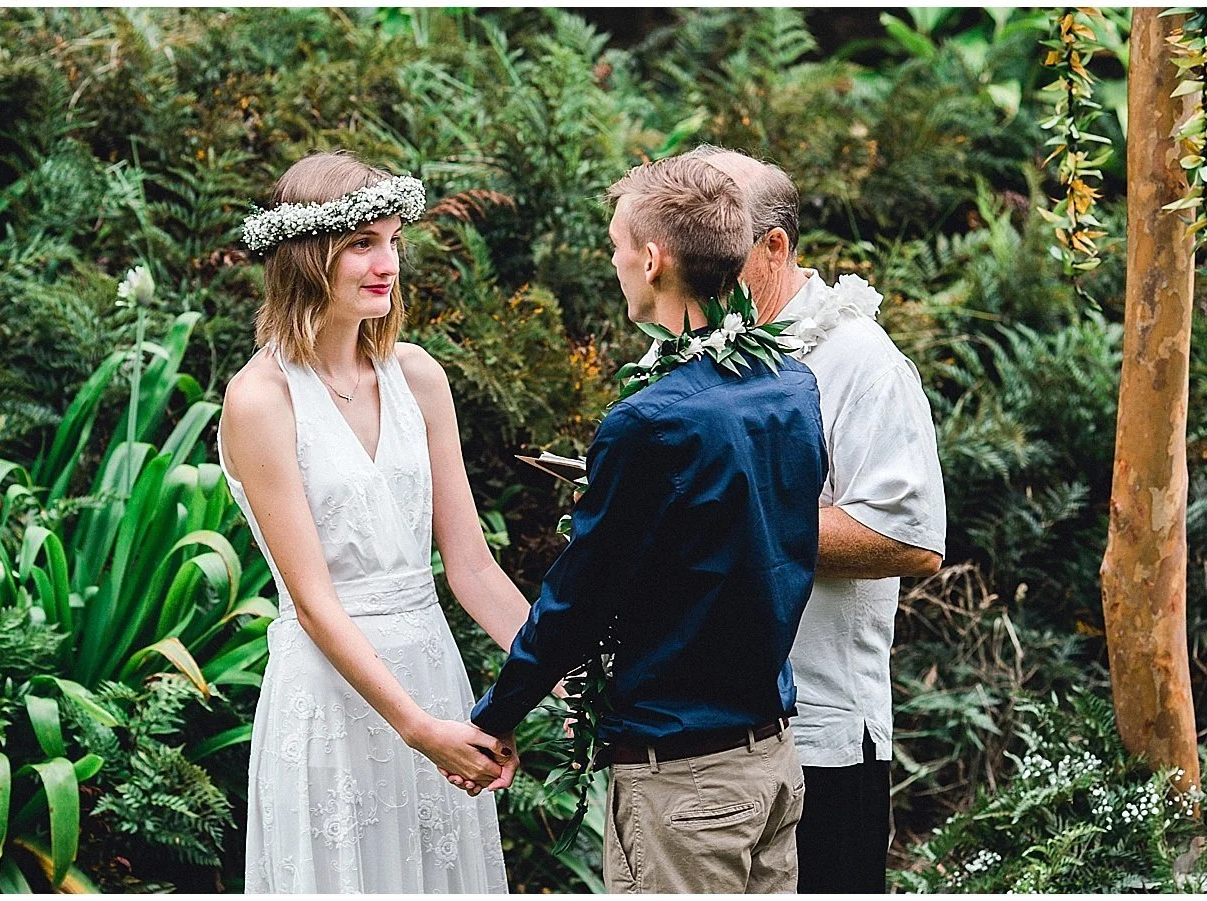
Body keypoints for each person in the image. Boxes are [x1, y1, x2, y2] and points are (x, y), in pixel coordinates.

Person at [469, 155, 828, 893]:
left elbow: (579, 598)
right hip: (772, 760)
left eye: (616, 245)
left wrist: (496, 715)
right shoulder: (792, 384)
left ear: (654, 259)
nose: (613, 261)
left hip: (685, 784)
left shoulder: (649, 423)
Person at [218, 151, 532, 893]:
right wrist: (417, 727)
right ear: (306, 255)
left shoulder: (419, 376)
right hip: (331, 698)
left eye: (393, 241)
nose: (388, 263)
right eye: (363, 243)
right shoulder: (261, 399)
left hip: (434, 678)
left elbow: (471, 566)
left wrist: (565, 679)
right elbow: (315, 602)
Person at [680, 146, 947, 894]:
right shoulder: (696, 347)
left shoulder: (860, 359)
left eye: (718, 246)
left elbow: (909, 538)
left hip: (820, 738)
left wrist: (724, 517)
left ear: (774, 246)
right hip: (703, 729)